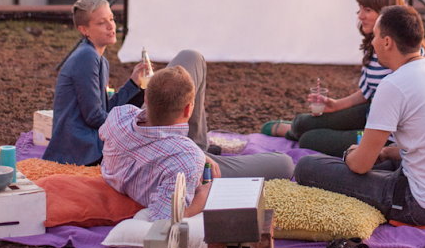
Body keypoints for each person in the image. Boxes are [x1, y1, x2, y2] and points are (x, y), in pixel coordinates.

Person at [295, 5, 425, 230]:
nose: (372, 42)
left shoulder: (394, 85)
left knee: (307, 167)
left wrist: (351, 154)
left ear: (387, 42)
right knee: (385, 158)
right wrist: (384, 152)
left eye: (375, 36)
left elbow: (360, 166)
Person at [100, 67, 294, 220]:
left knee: (192, 57)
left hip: (170, 150)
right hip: (184, 162)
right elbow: (164, 219)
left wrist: (196, 153)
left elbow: (105, 134)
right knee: (284, 163)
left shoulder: (119, 115)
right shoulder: (187, 159)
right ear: (188, 110)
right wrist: (204, 195)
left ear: (146, 98)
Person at [262, 0, 415, 157]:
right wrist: (336, 105)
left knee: (309, 140)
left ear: (386, 14)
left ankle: (295, 133)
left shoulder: (404, 55)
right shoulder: (373, 45)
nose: (360, 15)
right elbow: (367, 92)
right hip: (369, 113)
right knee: (302, 123)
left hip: (385, 133)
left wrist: (374, 143)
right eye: (359, 9)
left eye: (367, 10)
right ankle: (295, 129)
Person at [44, 0, 149, 165]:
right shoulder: (86, 57)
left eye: (111, 19)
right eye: (101, 23)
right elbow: (94, 117)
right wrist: (130, 125)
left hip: (88, 141)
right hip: (80, 148)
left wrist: (133, 83)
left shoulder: (98, 58)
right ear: (84, 30)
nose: (111, 26)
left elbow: (104, 109)